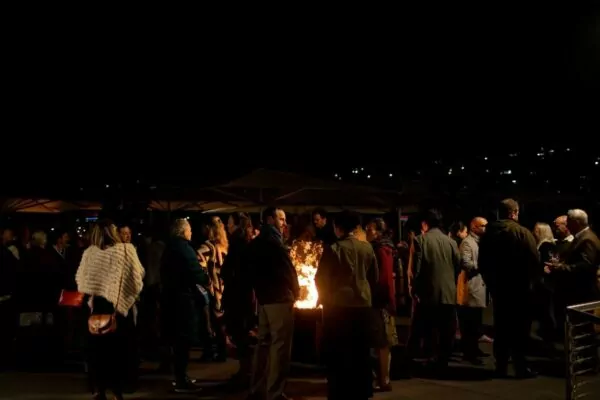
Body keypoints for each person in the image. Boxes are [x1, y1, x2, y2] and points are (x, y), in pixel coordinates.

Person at [76, 220, 145, 400]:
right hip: (119, 309)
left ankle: (100, 390)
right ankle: (117, 391)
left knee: (98, 352)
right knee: (119, 352)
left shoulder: (89, 253)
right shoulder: (126, 250)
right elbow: (137, 280)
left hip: (97, 309)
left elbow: (81, 283)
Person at [316, 210, 379, 400]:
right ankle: (362, 391)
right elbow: (374, 277)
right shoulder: (367, 248)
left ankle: (340, 392)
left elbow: (321, 278)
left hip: (339, 307)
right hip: (363, 307)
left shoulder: (334, 249)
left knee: (339, 353)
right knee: (361, 352)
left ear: (338, 228)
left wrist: (324, 298)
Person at [479, 199, 539, 379]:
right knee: (520, 329)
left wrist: (491, 283)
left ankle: (501, 365)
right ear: (514, 213)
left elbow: (482, 263)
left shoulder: (489, 234)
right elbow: (534, 260)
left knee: (501, 328)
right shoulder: (522, 232)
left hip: (499, 289)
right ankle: (520, 366)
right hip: (520, 289)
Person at [247, 207, 299, 400]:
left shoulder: (256, 243)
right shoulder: (274, 242)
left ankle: (257, 389)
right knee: (280, 347)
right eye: (281, 219)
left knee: (263, 344)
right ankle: (274, 393)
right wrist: (296, 291)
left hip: (264, 299)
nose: (284, 223)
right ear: (270, 219)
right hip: (279, 299)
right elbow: (288, 270)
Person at [160, 219, 209, 393]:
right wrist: (205, 276)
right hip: (183, 300)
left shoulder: (169, 248)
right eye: (189, 230)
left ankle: (180, 376)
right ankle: (182, 379)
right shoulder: (184, 248)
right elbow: (195, 272)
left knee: (177, 339)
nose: (191, 233)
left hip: (170, 298)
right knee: (184, 339)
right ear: (183, 231)